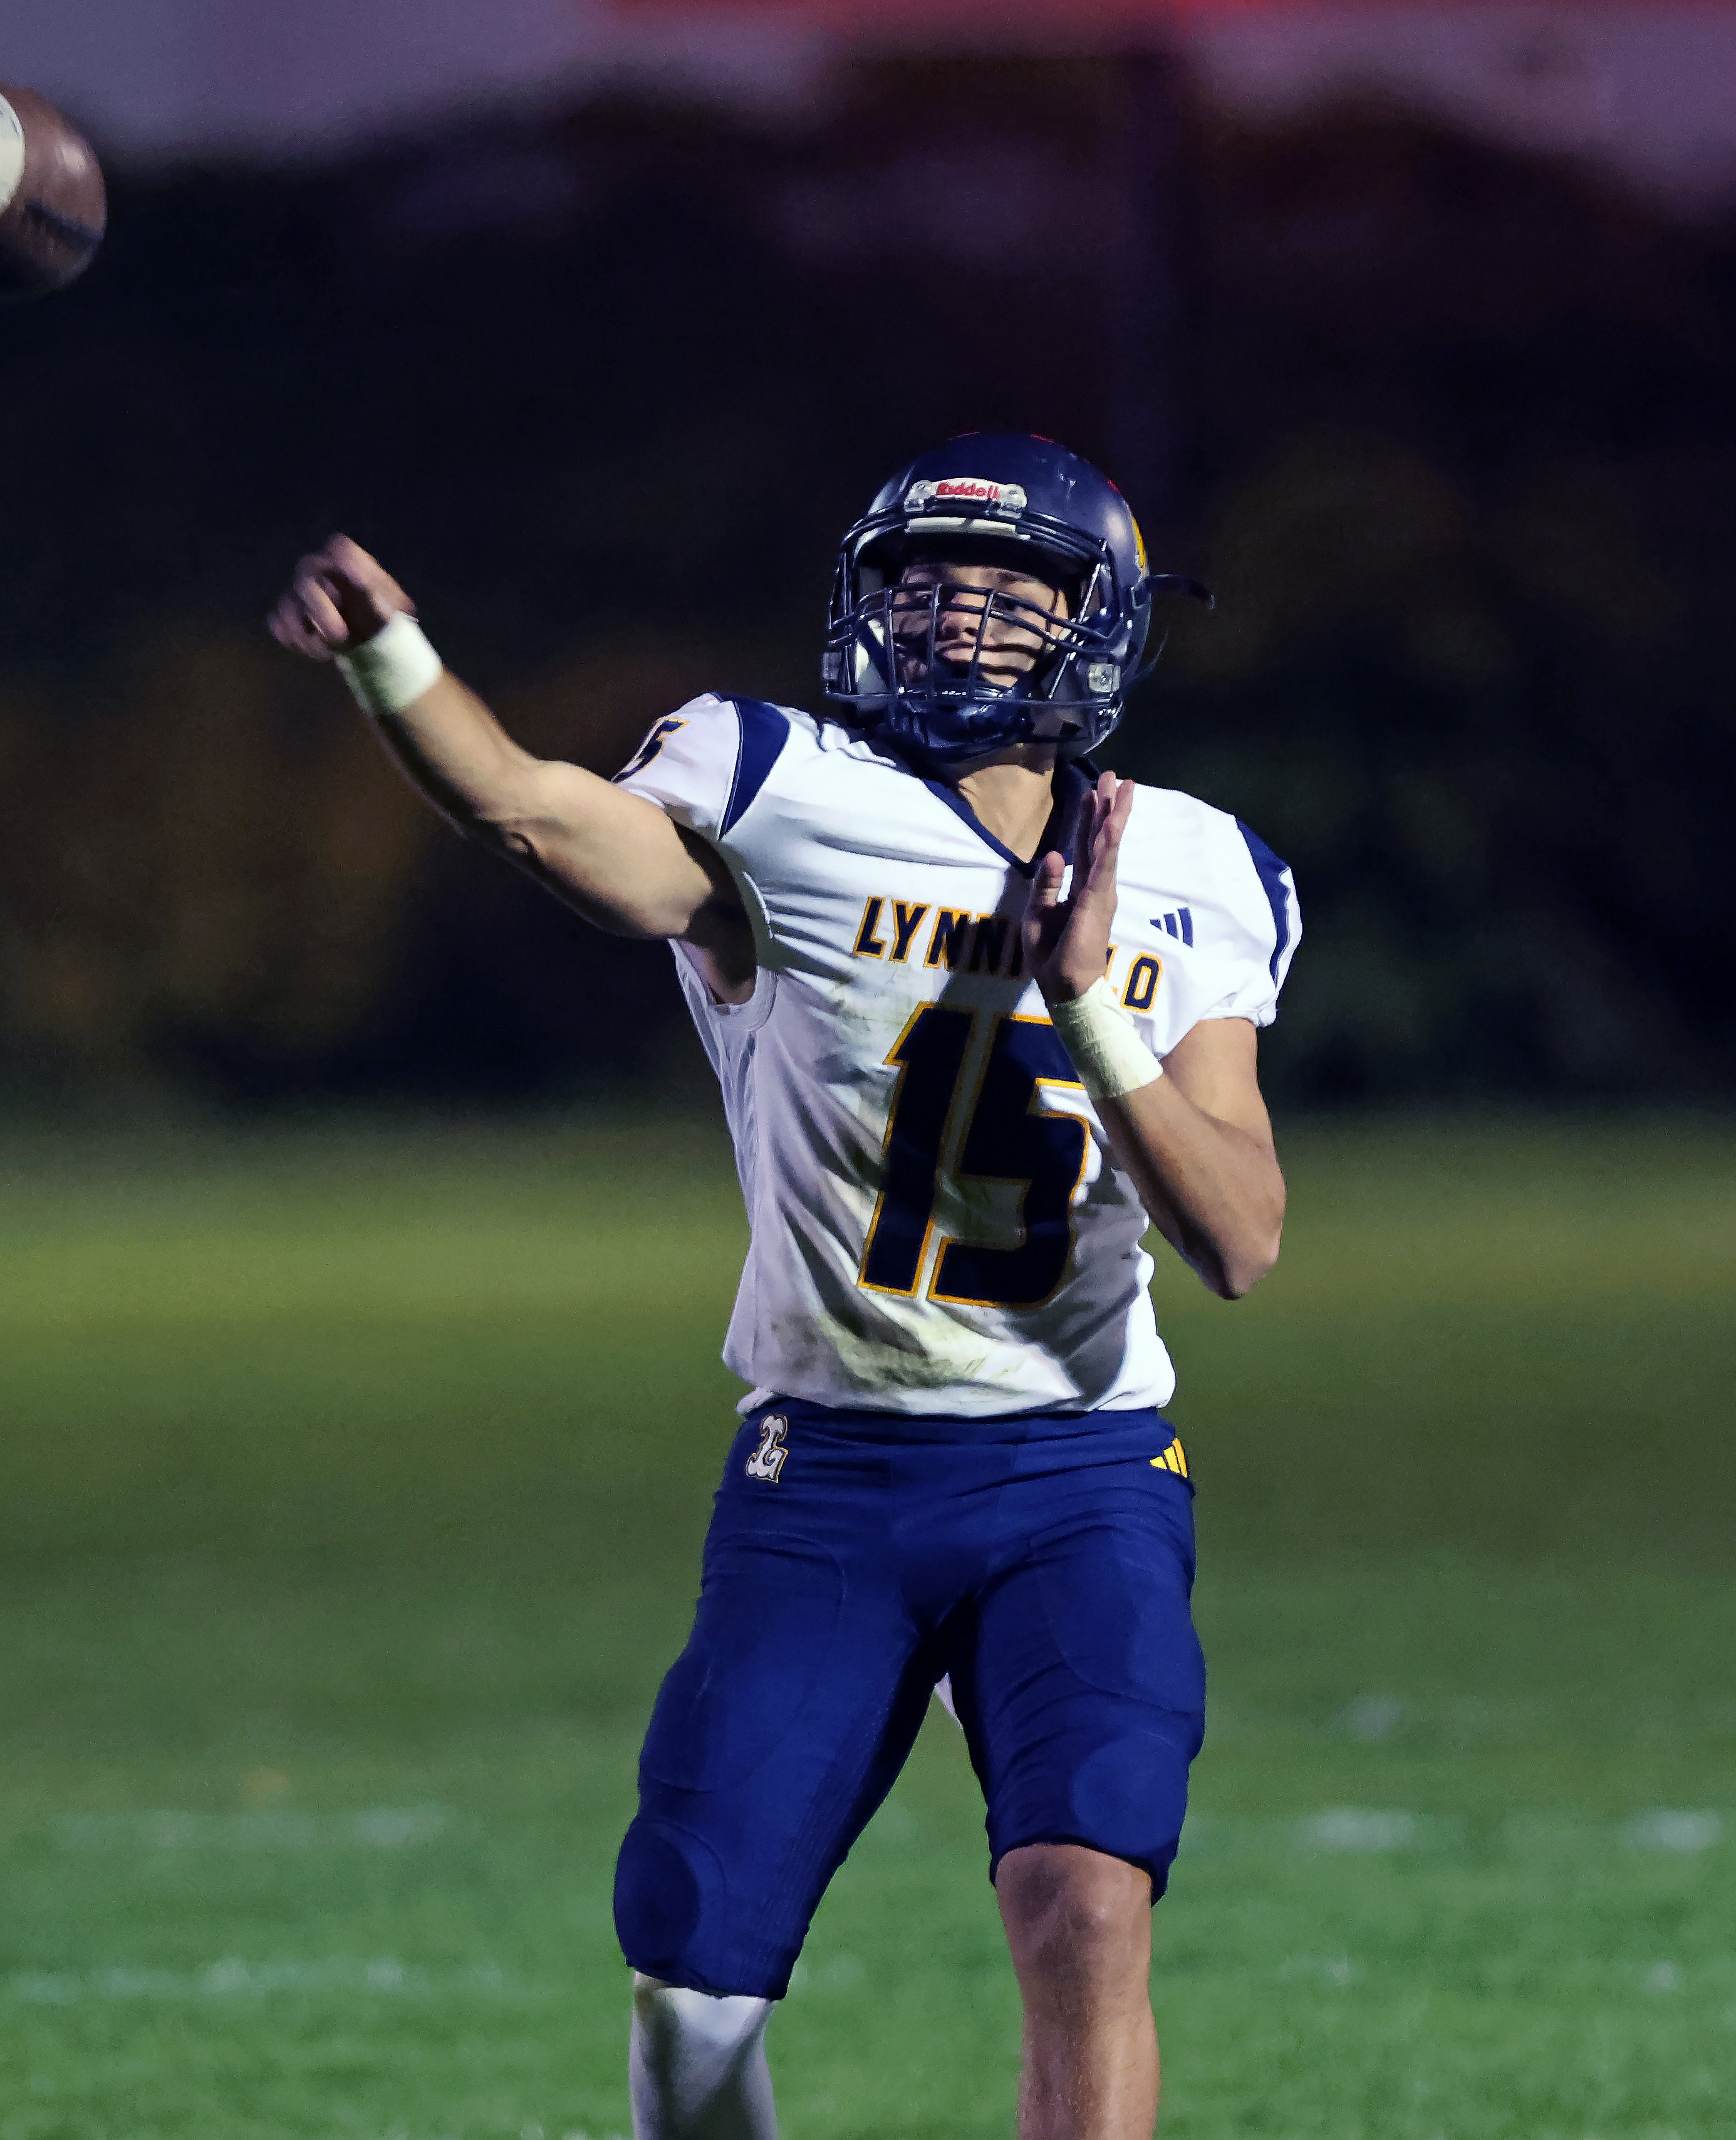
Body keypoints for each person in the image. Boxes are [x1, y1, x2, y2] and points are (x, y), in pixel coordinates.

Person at [269, 434, 1299, 2140]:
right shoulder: (771, 783)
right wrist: (393, 658)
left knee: (1084, 1904)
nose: (951, 623)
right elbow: (531, 811)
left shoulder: (1199, 867)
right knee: (693, 1988)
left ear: (1096, 622)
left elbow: (1239, 1235)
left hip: (1079, 1472)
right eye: (916, 584)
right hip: (831, 1473)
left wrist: (1082, 1003)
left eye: (1003, 591)